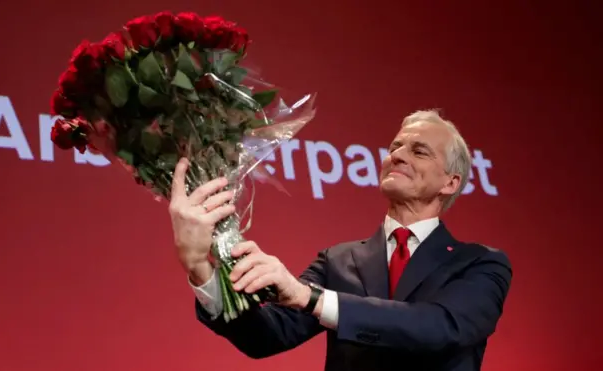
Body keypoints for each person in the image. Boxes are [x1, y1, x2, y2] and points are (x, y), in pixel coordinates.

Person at [168, 110, 513, 371]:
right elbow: (267, 337)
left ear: (450, 183)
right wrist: (201, 267)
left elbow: (442, 327)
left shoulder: (480, 264)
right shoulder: (339, 260)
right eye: (395, 147)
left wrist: (311, 297)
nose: (398, 155)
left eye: (419, 151)